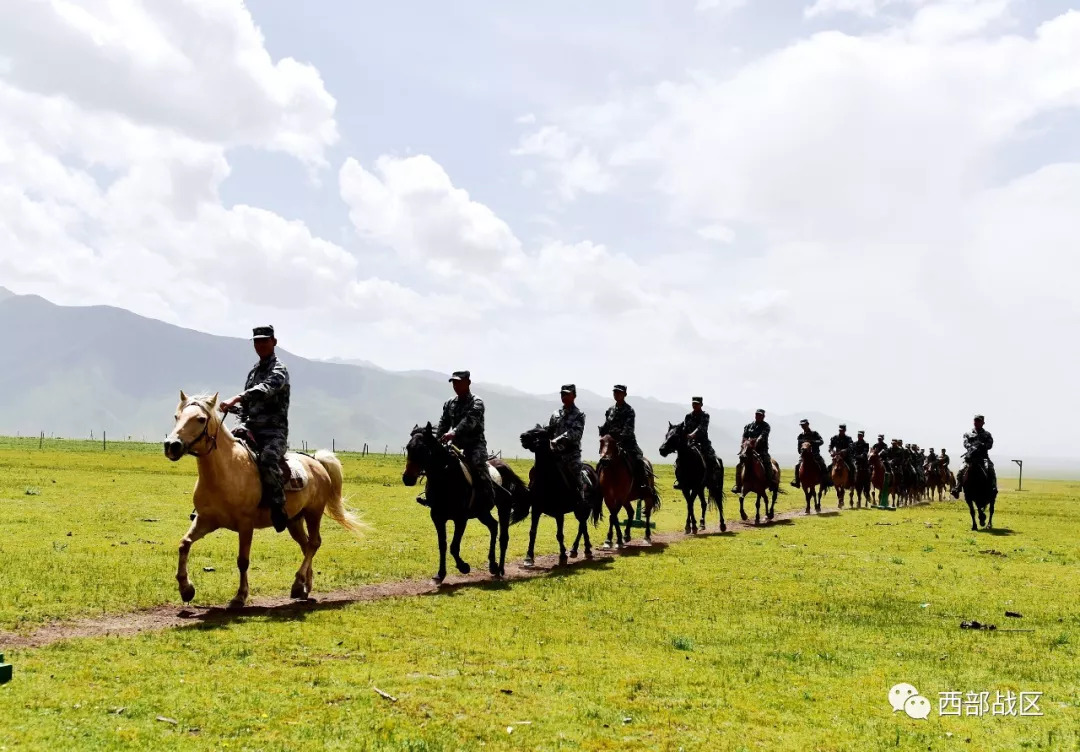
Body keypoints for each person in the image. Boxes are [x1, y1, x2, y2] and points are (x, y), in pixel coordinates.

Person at [219, 325, 291, 532]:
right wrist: (234, 411)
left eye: (264, 341)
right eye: (257, 341)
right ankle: (210, 503)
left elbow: (266, 389)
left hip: (273, 432)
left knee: (268, 459)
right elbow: (248, 407)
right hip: (249, 428)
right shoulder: (253, 371)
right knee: (221, 451)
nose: (260, 345)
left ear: (274, 342)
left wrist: (237, 397)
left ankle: (278, 506)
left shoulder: (279, 369)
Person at [434, 370, 493, 510]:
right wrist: (436, 442)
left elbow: (469, 422)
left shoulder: (477, 402)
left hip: (474, 444)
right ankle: (432, 496)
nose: (455, 385)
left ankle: (488, 496)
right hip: (454, 445)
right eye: (454, 382)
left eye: (459, 382)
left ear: (468, 383)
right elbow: (443, 423)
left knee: (479, 466)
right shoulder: (449, 403)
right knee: (436, 464)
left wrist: (452, 433)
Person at [599, 385, 653, 494]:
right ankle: (598, 486)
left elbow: (628, 428)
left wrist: (620, 439)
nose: (617, 394)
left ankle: (643, 485)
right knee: (602, 461)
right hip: (611, 443)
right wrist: (603, 432)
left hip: (627, 442)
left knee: (638, 460)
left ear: (624, 394)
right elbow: (606, 425)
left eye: (619, 392)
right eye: (615, 392)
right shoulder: (610, 410)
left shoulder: (629, 410)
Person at [547, 384, 586, 504]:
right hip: (555, 453)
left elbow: (576, 433)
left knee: (576, 472)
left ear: (574, 396)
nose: (564, 396)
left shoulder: (579, 415)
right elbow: (550, 431)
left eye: (567, 394)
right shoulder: (555, 414)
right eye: (562, 394)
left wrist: (558, 439)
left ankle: (581, 500)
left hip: (571, 453)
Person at [676, 396, 721, 490]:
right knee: (679, 459)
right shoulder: (688, 416)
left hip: (703, 442)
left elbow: (702, 428)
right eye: (693, 403)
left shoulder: (705, 415)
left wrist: (692, 435)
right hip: (690, 443)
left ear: (701, 405)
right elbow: (684, 428)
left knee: (711, 458)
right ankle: (680, 480)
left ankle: (712, 479)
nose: (695, 405)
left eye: (697, 404)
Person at [951, 414, 997, 498]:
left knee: (991, 469)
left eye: (979, 421)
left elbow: (990, 445)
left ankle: (993, 487)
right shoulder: (967, 434)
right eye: (975, 421)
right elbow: (965, 443)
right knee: (961, 471)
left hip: (983, 458)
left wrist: (982, 445)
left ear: (983, 423)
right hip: (970, 458)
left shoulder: (987, 434)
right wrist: (971, 446)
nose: (976, 422)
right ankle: (957, 488)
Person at [732, 409, 775, 493]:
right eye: (757, 415)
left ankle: (770, 482)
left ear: (763, 416)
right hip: (748, 450)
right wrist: (743, 446)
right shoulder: (748, 426)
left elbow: (762, 437)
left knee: (767, 463)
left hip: (761, 450)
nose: (758, 416)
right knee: (739, 465)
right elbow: (744, 437)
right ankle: (738, 485)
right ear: (755, 415)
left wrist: (755, 443)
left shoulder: (766, 426)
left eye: (760, 415)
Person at [791, 419, 830, 489]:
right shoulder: (800, 436)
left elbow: (821, 441)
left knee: (823, 464)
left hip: (815, 455)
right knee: (797, 465)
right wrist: (803, 450)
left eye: (804, 425)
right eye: (802, 425)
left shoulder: (815, 433)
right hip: (804, 456)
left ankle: (826, 481)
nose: (803, 426)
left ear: (808, 424)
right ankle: (797, 482)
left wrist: (812, 442)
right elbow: (799, 449)